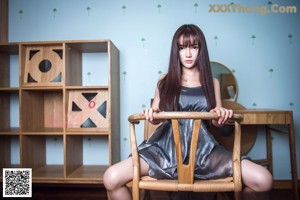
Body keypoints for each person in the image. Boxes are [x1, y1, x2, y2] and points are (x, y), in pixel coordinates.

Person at [103, 24, 273, 200]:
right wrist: (152, 114)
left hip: (205, 151)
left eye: (194, 47)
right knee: (111, 178)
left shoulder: (212, 82)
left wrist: (221, 115)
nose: (189, 54)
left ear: (201, 49)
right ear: (176, 51)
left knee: (264, 180)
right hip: (164, 149)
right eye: (182, 48)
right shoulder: (164, 80)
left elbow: (216, 121)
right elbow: (157, 116)